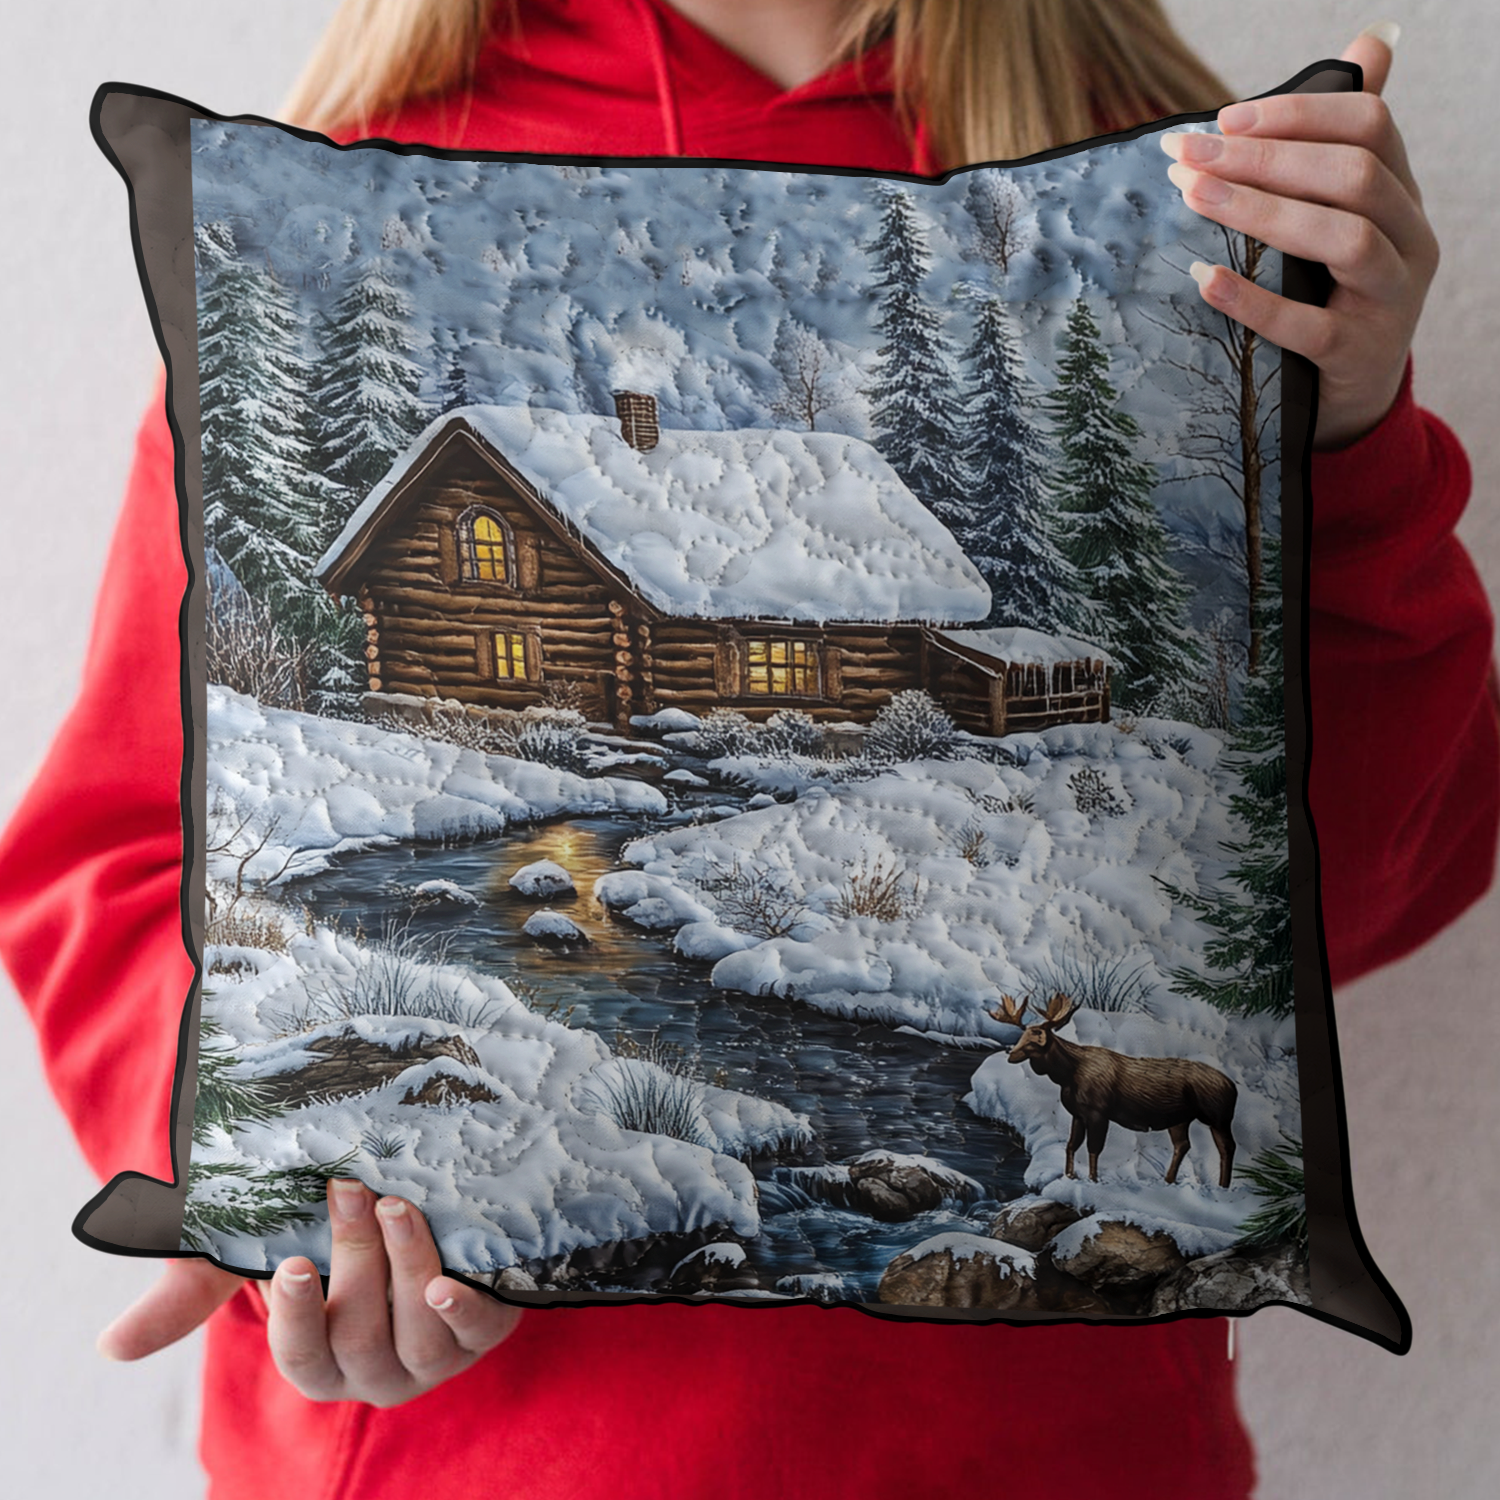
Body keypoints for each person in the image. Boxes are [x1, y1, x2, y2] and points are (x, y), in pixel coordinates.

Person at [1, 2, 1494, 1496]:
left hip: (1058, 1459)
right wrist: (269, 1197)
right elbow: (110, 864)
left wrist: (1350, 438)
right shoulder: (341, 183)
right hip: (469, 1459)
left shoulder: (1180, 184)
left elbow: (1348, 894)